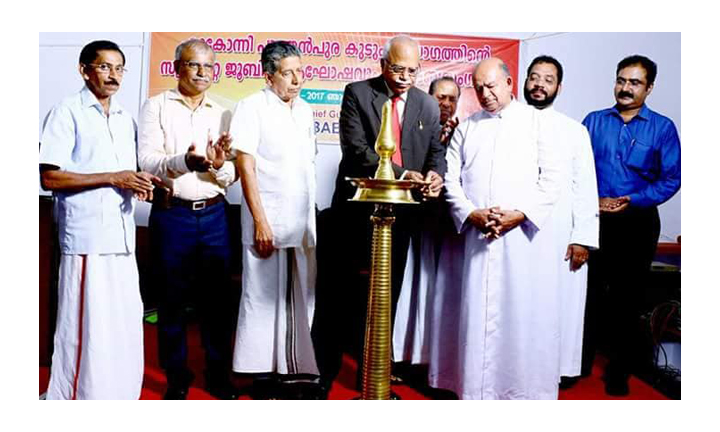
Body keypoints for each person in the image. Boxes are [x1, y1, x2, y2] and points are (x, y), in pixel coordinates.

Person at [313, 35, 446, 396]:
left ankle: (373, 380)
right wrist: (405, 176)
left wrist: (436, 177)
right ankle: (323, 376)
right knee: (339, 298)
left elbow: (435, 153)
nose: (405, 77)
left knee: (385, 297)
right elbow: (357, 152)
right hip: (354, 214)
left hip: (400, 218)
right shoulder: (357, 93)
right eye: (398, 68)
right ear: (383, 64)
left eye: (413, 71)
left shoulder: (427, 105)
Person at [428, 57, 563, 399]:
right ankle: (472, 389)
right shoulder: (468, 126)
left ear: (508, 84)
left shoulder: (537, 123)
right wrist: (471, 213)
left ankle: (520, 391)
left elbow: (552, 180)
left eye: (491, 86)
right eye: (478, 88)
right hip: (477, 236)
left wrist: (519, 215)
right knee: (475, 315)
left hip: (521, 239)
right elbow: (451, 179)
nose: (485, 94)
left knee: (520, 314)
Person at [40, 40, 159, 399]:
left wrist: (140, 184)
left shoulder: (126, 119)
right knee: (84, 325)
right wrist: (113, 177)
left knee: (121, 323)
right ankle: (73, 399)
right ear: (84, 69)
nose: (113, 75)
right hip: (87, 236)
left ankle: (114, 395)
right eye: (105, 67)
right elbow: (50, 178)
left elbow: (127, 173)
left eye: (120, 68)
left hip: (122, 237)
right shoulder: (67, 111)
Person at [138, 38, 239, 400]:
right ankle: (176, 378)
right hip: (172, 215)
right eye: (194, 65)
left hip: (215, 214)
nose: (202, 73)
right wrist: (185, 162)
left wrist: (216, 166)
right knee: (171, 301)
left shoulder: (224, 112)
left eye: (209, 66)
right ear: (177, 67)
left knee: (218, 303)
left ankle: (217, 376)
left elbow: (231, 176)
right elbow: (147, 161)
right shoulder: (156, 107)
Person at [582, 55, 680, 396]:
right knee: (587, 294)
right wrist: (593, 202)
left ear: (649, 87)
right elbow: (575, 171)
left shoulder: (662, 128)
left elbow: (671, 179)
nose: (625, 88)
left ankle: (619, 371)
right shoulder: (593, 122)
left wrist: (632, 200)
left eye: (635, 82)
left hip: (637, 222)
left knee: (627, 300)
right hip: (593, 218)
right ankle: (577, 366)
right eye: (621, 80)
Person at [228, 41, 320, 400]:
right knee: (261, 299)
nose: (297, 79)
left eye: (300, 71)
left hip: (301, 219)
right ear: (269, 77)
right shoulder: (251, 107)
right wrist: (260, 221)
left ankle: (292, 370)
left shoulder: (307, 110)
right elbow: (245, 166)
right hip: (266, 218)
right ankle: (258, 375)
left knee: (299, 298)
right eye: (288, 73)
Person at [523, 55, 599, 389]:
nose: (539, 84)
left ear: (559, 87)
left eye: (548, 79)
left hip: (559, 234)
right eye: (534, 77)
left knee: (559, 303)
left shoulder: (574, 130)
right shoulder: (505, 124)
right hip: (516, 232)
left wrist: (583, 236)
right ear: (524, 82)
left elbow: (586, 187)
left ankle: (556, 370)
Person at [392, 76, 461, 374]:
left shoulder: (464, 132)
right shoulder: (411, 127)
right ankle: (397, 356)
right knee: (407, 289)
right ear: (427, 98)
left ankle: (432, 359)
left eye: (451, 99)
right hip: (409, 223)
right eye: (439, 97)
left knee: (437, 292)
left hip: (445, 229)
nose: (444, 104)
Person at [429, 76, 461, 146]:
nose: (446, 104)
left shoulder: (460, 134)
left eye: (452, 100)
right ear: (429, 98)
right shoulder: (415, 128)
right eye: (441, 98)